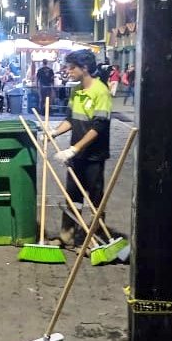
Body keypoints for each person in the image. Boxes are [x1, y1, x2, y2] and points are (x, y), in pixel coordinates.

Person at [49, 49, 113, 247]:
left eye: (71, 67)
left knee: (94, 200)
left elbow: (99, 127)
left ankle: (96, 239)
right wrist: (53, 132)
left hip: (94, 156)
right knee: (72, 197)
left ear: (84, 68)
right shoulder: (76, 90)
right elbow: (70, 119)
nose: (68, 71)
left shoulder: (101, 92)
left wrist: (74, 148)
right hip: (76, 157)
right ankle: (67, 236)